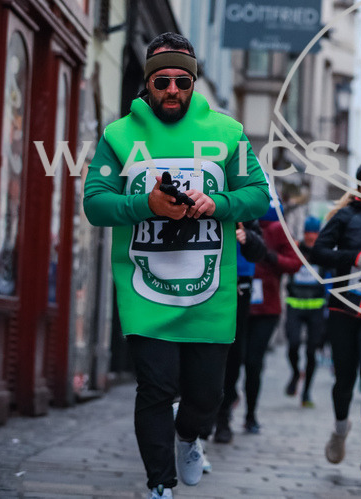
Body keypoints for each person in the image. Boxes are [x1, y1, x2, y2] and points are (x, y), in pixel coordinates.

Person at [83, 33, 270, 499]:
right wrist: (146, 205)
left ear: (192, 83)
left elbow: (259, 195)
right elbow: (95, 204)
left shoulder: (227, 132)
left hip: (210, 295)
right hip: (145, 291)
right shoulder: (119, 135)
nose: (171, 90)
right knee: (155, 388)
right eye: (162, 80)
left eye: (181, 81)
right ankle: (159, 486)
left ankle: (190, 436)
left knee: (206, 397)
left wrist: (219, 202)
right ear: (148, 83)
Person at [304, 162, 361, 482]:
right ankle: (341, 429)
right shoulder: (345, 216)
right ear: (359, 186)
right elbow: (318, 253)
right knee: (344, 380)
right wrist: (352, 257)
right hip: (344, 310)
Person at [242, 206, 301, 432]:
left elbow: (294, 263)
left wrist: (269, 256)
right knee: (233, 360)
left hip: (267, 309)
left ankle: (250, 414)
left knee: (254, 362)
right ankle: (226, 409)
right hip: (237, 301)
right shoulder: (238, 218)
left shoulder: (277, 228)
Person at [210, 220, 267, 445]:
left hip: (238, 279)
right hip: (194, 273)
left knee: (232, 351)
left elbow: (259, 246)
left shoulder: (247, 193)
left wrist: (247, 236)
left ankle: (223, 415)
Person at [284, 215, 327, 407]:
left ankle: (307, 392)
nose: (312, 238)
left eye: (315, 234)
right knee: (293, 345)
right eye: (309, 233)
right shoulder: (296, 248)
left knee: (311, 352)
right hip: (294, 305)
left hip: (316, 309)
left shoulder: (323, 251)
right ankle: (295, 373)